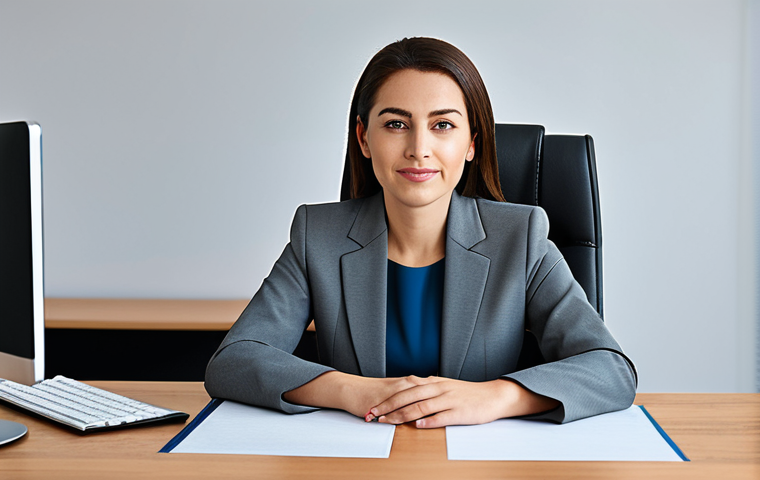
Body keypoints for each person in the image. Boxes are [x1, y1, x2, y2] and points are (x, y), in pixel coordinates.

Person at [205, 37, 636, 428]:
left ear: (472, 143)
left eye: (442, 125)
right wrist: (350, 389)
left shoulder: (521, 237)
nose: (419, 148)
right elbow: (235, 361)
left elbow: (610, 370)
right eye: (396, 124)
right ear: (364, 138)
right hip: (355, 462)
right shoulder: (316, 236)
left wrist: (495, 397)